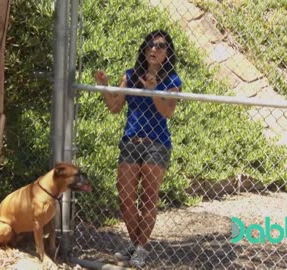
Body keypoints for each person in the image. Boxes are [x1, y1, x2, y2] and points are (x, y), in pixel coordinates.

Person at [94, 30, 181, 267]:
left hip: (157, 145)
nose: (154, 49)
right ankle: (136, 244)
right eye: (150, 45)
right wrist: (104, 86)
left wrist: (153, 91)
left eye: (161, 46)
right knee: (125, 198)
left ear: (167, 53)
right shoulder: (130, 76)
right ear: (144, 50)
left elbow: (168, 112)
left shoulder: (172, 80)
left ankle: (140, 249)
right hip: (131, 142)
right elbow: (114, 107)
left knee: (148, 198)